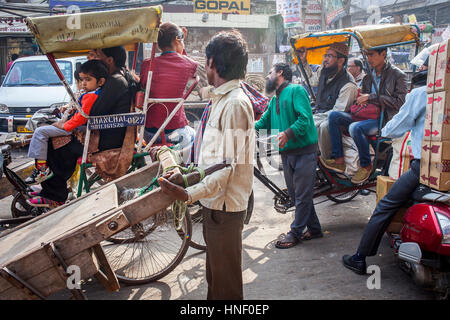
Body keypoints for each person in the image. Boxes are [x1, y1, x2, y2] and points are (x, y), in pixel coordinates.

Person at [156, 30, 254, 300]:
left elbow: (227, 167)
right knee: (216, 282)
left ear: (212, 63)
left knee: (226, 289)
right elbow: (209, 153)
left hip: (224, 208)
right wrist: (175, 158)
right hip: (213, 205)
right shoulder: (220, 99)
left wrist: (188, 194)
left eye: (205, 61)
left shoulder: (234, 103)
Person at [342, 69, 428, 275]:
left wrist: (386, 132)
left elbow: (396, 126)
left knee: (386, 205)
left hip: (425, 165)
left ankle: (359, 258)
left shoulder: (422, 94)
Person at [28, 46, 135, 208]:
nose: (92, 60)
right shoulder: (114, 78)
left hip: (106, 140)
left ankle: (54, 195)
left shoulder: (115, 81)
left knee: (58, 146)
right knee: (56, 140)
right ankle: (51, 190)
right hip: (100, 132)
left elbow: (93, 112)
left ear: (109, 60)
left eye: (97, 56)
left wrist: (69, 122)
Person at [256, 63, 322, 249]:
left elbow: (305, 119)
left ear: (280, 73)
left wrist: (287, 133)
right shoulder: (274, 99)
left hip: (304, 151)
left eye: (270, 71)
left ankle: (295, 232)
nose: (267, 76)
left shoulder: (296, 90)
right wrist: (244, 129)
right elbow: (263, 122)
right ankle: (315, 229)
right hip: (287, 153)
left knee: (301, 195)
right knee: (297, 195)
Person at [321, 47, 408, 184]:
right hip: (366, 115)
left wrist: (371, 97)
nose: (368, 58)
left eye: (371, 55)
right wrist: (361, 100)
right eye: (367, 55)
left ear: (383, 54)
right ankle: (339, 160)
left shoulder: (398, 75)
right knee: (334, 116)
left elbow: (400, 102)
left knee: (355, 128)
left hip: (384, 119)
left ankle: (366, 165)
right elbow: (364, 98)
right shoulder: (369, 77)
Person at [25, 60, 108, 187]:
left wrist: (64, 125)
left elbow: (82, 117)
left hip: (72, 128)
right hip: (72, 125)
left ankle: (42, 169)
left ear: (100, 82)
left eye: (88, 80)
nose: (83, 83)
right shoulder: (90, 94)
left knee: (40, 132)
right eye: (82, 80)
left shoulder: (91, 96)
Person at [139, 22, 198, 151]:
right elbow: (185, 63)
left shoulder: (147, 65)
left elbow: (142, 84)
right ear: (177, 40)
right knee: (196, 136)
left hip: (149, 134)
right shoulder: (189, 64)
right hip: (175, 133)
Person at [296, 43, 358, 160]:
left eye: (329, 56)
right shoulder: (324, 71)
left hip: (339, 118)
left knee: (324, 126)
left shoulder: (349, 85)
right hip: (321, 111)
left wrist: (313, 119)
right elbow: (310, 80)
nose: (325, 59)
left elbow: (337, 112)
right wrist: (303, 62)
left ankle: (327, 159)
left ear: (340, 61)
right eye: (325, 55)